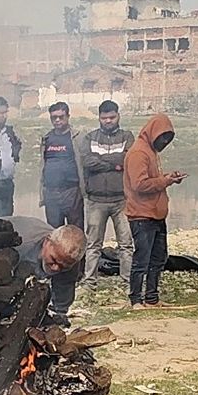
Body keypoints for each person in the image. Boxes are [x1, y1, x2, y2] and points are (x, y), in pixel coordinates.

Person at [123, 114, 187, 309]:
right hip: (142, 215)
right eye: (163, 137)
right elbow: (140, 185)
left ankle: (152, 298)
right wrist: (166, 181)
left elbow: (152, 179)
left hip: (156, 215)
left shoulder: (151, 151)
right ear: (153, 133)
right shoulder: (138, 153)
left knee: (158, 258)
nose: (165, 141)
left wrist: (168, 177)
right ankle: (135, 299)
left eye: (169, 138)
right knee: (142, 260)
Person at [77, 100, 134, 291]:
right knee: (93, 245)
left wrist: (103, 160)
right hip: (95, 200)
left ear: (118, 116)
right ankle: (89, 283)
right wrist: (113, 164)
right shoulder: (89, 138)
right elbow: (87, 162)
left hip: (122, 200)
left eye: (112, 117)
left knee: (126, 244)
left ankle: (127, 282)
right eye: (104, 118)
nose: (108, 121)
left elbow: (128, 159)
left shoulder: (128, 137)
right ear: (99, 118)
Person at [8, 216, 87, 326]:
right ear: (46, 242)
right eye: (53, 260)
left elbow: (65, 286)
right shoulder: (21, 246)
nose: (56, 268)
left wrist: (58, 314)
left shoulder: (69, 257)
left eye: (63, 266)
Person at [39, 101, 84, 230]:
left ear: (68, 116)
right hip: (51, 193)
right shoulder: (46, 139)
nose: (57, 120)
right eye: (54, 118)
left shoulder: (77, 137)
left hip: (71, 192)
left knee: (75, 231)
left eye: (61, 117)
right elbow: (43, 164)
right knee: (54, 233)